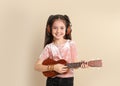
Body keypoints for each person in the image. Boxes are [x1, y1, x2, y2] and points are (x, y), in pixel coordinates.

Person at [34, 14, 88, 86]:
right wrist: (54, 67)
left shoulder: (71, 44)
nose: (58, 31)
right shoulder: (49, 47)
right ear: (49, 29)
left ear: (67, 30)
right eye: (55, 28)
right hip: (52, 81)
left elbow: (75, 64)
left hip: (68, 81)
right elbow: (37, 66)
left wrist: (81, 64)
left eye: (62, 28)